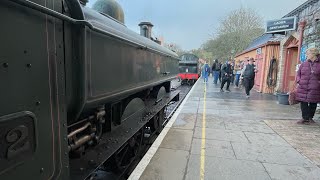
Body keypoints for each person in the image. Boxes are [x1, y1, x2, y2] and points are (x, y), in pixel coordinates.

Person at [295, 48, 320, 124]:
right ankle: (305, 118)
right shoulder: (304, 64)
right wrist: (299, 81)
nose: (306, 55)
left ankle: (310, 118)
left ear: (313, 54)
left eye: (308, 54)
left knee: (313, 102)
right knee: (303, 102)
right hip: (303, 86)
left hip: (315, 87)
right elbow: (298, 74)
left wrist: (318, 83)